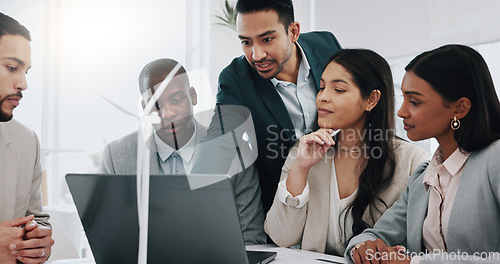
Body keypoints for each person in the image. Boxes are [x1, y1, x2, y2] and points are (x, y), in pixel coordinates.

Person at [264, 49, 428, 256]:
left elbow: (420, 246)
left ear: (371, 100)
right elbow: (282, 237)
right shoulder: (304, 151)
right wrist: (300, 169)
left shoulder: (412, 161)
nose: (323, 97)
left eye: (339, 90)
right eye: (322, 87)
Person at [346, 44, 500, 264]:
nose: (401, 112)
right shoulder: (423, 177)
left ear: (460, 108)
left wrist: (413, 263)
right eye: (404, 99)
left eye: (415, 101)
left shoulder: (494, 160)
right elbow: (373, 236)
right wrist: (363, 248)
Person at [192, 0, 342, 216]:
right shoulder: (236, 79)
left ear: (293, 31)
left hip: (340, 195)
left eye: (267, 39)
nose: (256, 55)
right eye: (246, 42)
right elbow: (219, 141)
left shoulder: (326, 45)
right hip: (284, 209)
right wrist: (189, 196)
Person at [99, 58, 266, 245]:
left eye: (176, 100)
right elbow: (108, 236)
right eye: (156, 105)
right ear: (145, 108)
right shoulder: (116, 157)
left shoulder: (236, 154)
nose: (167, 113)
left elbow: (251, 240)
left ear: (193, 96)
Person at [0, 12, 54, 263]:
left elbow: (37, 219)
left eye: (25, 71)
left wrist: (39, 242)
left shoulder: (26, 141)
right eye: (12, 68)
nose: (23, 84)